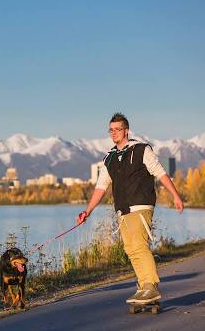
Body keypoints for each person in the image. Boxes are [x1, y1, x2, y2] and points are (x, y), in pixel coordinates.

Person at [76, 113, 183, 304]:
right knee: (130, 249)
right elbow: (101, 186)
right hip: (122, 209)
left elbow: (160, 173)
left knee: (139, 245)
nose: (114, 133)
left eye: (118, 129)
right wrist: (88, 211)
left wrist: (175, 195)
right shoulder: (109, 158)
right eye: (111, 130)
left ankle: (151, 285)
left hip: (141, 204)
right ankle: (144, 287)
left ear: (126, 130)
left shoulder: (141, 150)